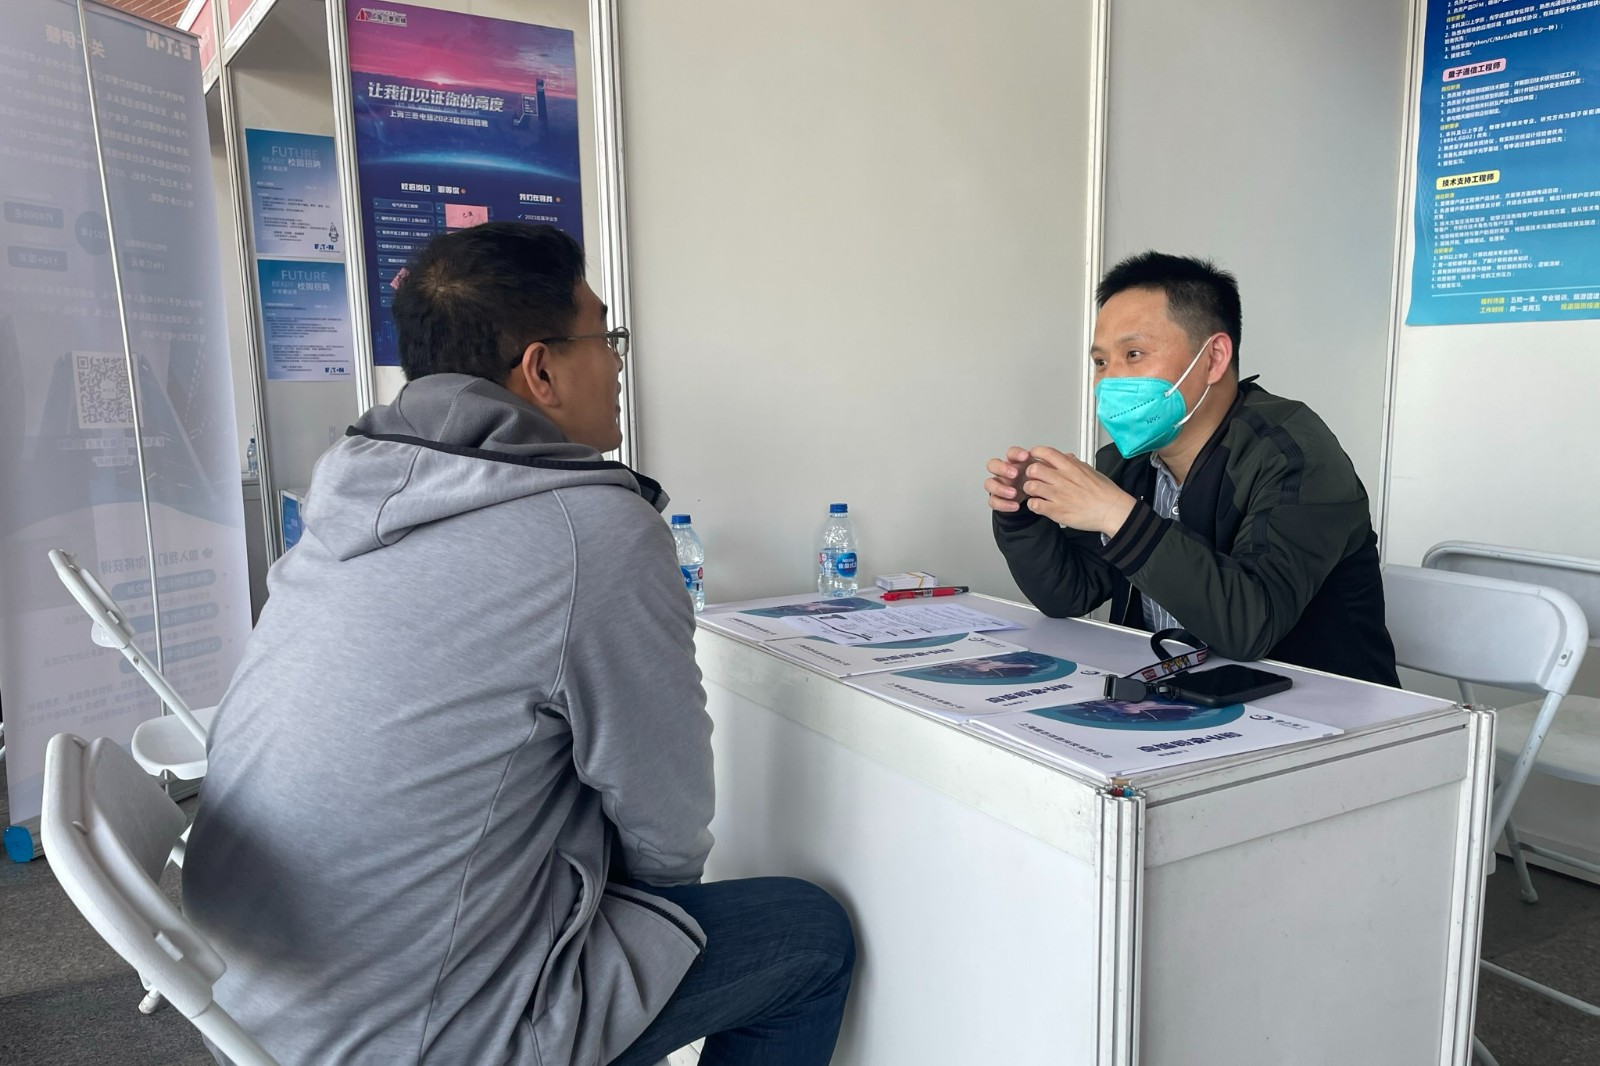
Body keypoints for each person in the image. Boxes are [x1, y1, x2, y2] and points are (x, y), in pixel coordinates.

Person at [183, 222, 854, 1066]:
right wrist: (647, 910)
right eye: (604, 337)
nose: (618, 364)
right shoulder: (591, 530)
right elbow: (668, 815)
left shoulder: (348, 496)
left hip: (250, 1011)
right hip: (412, 1036)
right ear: (541, 370)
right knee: (807, 937)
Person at [984, 251, 1398, 686]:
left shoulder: (1294, 456)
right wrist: (1023, 517)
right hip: (1181, 695)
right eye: (1101, 362)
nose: (1109, 381)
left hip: (1324, 709)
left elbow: (1251, 625)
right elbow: (1071, 592)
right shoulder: (1127, 462)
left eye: (1134, 354)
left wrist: (1116, 515)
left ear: (1214, 357)